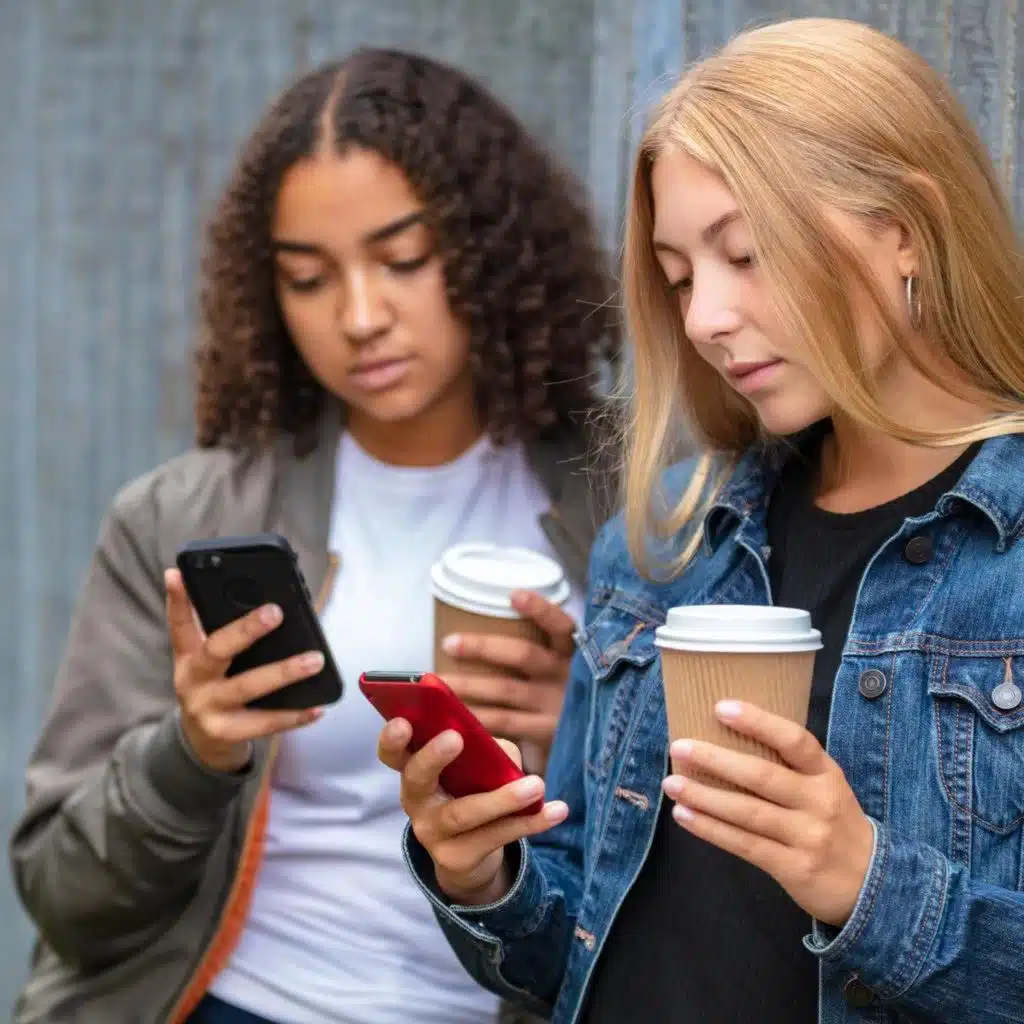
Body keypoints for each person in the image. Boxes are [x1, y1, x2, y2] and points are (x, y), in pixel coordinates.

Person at [381, 17, 1024, 1024]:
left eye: (745, 254)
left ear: (904, 227)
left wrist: (867, 884)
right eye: (681, 277)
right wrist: (480, 869)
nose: (702, 319)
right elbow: (572, 943)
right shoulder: (664, 547)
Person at [9, 49, 618, 1024]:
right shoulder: (180, 520)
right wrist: (193, 749)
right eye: (307, 278)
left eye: (404, 261)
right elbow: (66, 897)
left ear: (490, 247)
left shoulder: (634, 500)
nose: (360, 317)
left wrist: (587, 721)